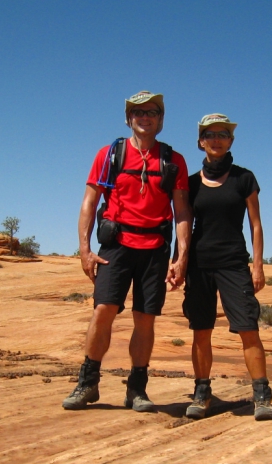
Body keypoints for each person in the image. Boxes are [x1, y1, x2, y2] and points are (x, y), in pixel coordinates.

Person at [63, 91, 192, 412]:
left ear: (161, 119)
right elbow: (89, 203)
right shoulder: (109, 155)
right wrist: (84, 248)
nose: (144, 117)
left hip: (154, 251)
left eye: (151, 112)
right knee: (103, 311)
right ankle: (88, 382)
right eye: (137, 112)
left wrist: (181, 257)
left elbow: (182, 212)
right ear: (128, 119)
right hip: (116, 246)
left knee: (145, 319)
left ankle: (137, 389)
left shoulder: (173, 160)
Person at [182, 114, 272, 421]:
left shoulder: (244, 178)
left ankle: (261, 395)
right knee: (201, 330)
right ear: (201, 142)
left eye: (223, 134)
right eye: (210, 134)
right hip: (199, 263)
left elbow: (256, 224)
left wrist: (257, 265)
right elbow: (183, 225)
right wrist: (179, 262)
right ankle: (202, 392)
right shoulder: (191, 184)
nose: (217, 139)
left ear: (231, 141)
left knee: (248, 327)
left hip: (234, 263)